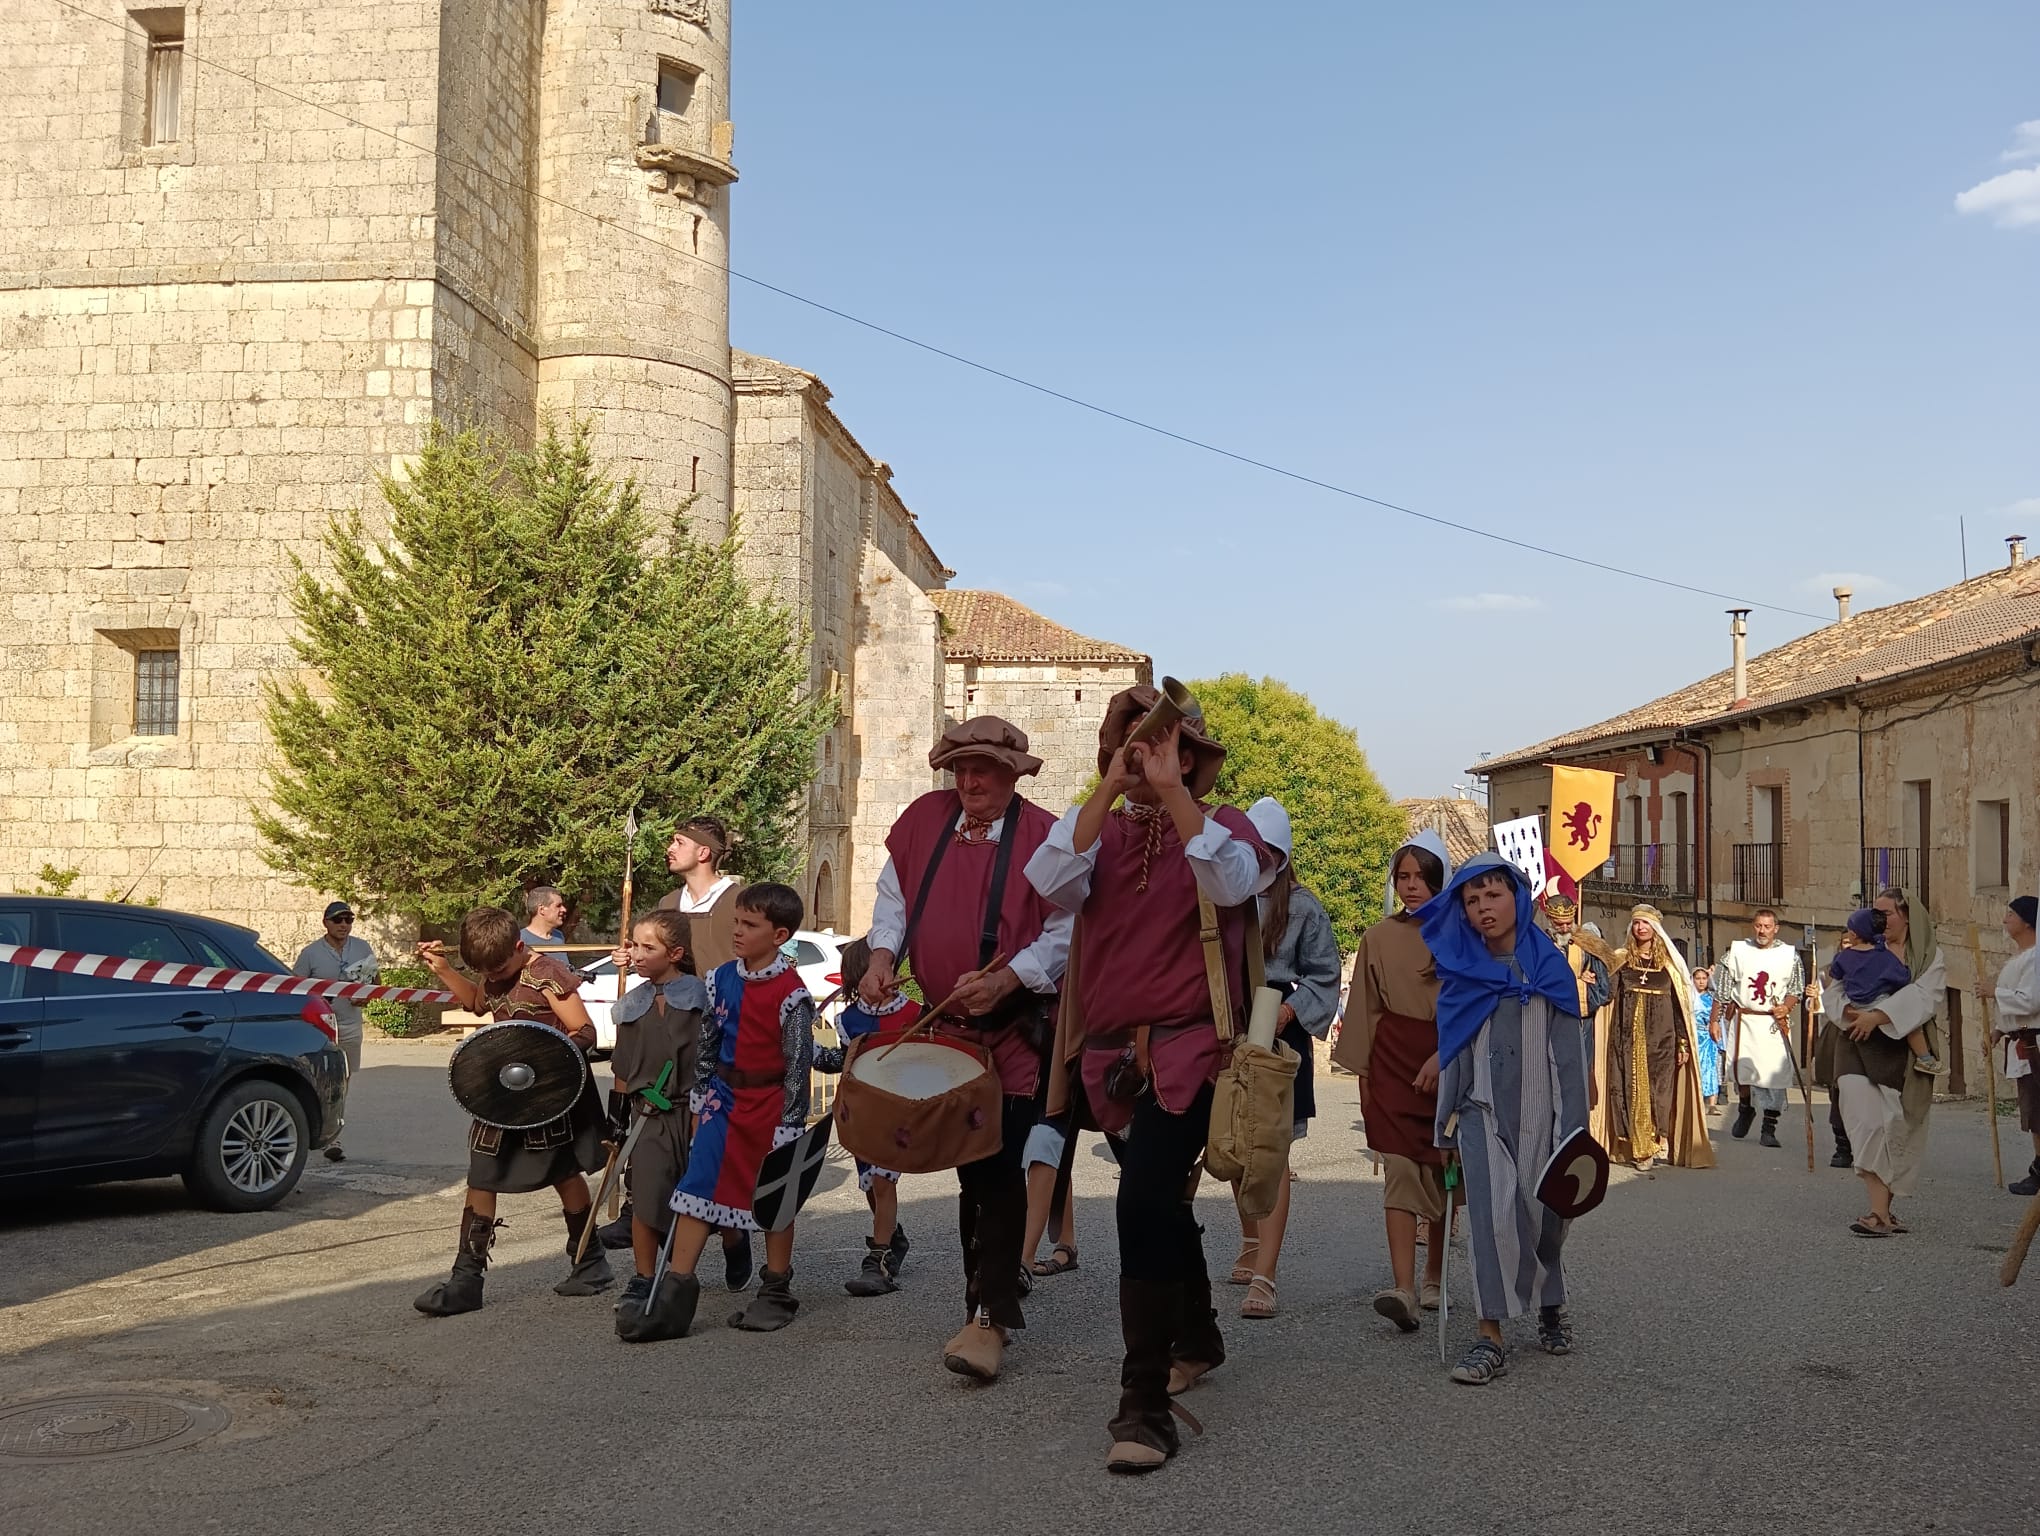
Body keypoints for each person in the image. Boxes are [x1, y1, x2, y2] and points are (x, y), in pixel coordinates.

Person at [1027, 685, 1274, 1473]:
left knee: (1139, 1204)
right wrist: (1111, 784)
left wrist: (1171, 792)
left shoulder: (1224, 826)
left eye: (1162, 743)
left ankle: (1142, 1404)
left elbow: (1233, 884)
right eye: (1129, 745)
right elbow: (1049, 880)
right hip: (1112, 1059)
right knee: (1163, 1202)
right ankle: (1198, 1336)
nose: (1145, 756)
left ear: (1191, 756)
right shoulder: (1096, 830)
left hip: (1193, 1050)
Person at [859, 715, 1069, 1383]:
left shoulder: (1046, 837)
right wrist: (883, 955)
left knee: (996, 1168)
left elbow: (1067, 930)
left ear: (1013, 774)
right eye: (960, 769)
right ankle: (986, 1297)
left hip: (1014, 1027)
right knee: (968, 1167)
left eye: (983, 770)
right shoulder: (926, 819)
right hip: (947, 1027)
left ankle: (990, 1315)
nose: (969, 781)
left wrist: (1010, 977)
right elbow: (893, 899)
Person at [1421, 855, 1590, 1385]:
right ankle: (1489, 1334)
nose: (1483, 908)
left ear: (1515, 898)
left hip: (1544, 1116)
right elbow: (1454, 1052)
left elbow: (1569, 1059)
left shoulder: (1551, 970)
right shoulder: (1462, 974)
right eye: (1472, 901)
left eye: (1492, 895)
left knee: (1545, 1217)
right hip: (1481, 1113)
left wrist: (1575, 1134)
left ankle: (1550, 1301)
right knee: (1491, 1219)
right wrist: (1444, 1127)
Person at [413, 908, 613, 1315]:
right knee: (482, 1173)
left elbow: (584, 1031)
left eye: (500, 968)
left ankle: (590, 1260)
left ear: (519, 947)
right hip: (502, 1095)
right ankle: (467, 1280)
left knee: (563, 1172)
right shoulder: (493, 970)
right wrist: (444, 970)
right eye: (485, 971)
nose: (494, 976)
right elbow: (476, 1003)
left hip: (549, 1094)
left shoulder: (548, 974)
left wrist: (545, 1060)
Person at [659, 882, 817, 1333]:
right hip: (721, 1101)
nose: (738, 931)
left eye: (750, 924)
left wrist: (791, 1124)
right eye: (737, 922)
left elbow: (797, 1064)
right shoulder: (721, 978)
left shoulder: (792, 993)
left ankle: (776, 1289)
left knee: (773, 1198)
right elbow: (708, 1042)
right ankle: (675, 1289)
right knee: (698, 1183)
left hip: (769, 1108)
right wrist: (700, 1096)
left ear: (779, 935)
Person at [1226, 796, 1341, 1320]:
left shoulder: (1303, 907)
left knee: (1272, 1156)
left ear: (1282, 854)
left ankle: (1266, 1274)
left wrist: (1290, 1011)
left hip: (1279, 1029)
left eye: (1268, 851)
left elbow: (1325, 975)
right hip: (1230, 1024)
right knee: (1233, 1143)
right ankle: (1251, 1241)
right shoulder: (1224, 895)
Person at [1334, 830, 1450, 1333]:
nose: (1411, 886)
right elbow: (1365, 1008)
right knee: (1401, 1168)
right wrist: (1365, 1079)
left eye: (1421, 876)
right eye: (1403, 876)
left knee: (1442, 1170)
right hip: (1393, 1063)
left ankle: (1434, 1274)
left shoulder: (1461, 934)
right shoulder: (1378, 938)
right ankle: (1403, 1287)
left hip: (1446, 1057)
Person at [1821, 886, 1944, 1231]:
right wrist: (1854, 1013)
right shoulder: (1855, 949)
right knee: (1866, 1124)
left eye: (1886, 913)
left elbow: (1925, 997)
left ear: (1906, 917)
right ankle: (1877, 1213)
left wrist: (1878, 1016)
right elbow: (1833, 990)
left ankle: (1884, 1213)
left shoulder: (1927, 956)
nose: (1880, 919)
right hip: (1853, 1043)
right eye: (1876, 913)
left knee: (1894, 1126)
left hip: (1898, 1050)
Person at [608, 911, 704, 1321]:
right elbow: (622, 1068)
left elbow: (712, 1061)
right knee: (646, 1196)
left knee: (700, 1197)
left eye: (649, 947)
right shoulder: (632, 1005)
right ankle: (644, 1276)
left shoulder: (701, 999)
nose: (636, 954)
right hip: (648, 1116)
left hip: (695, 1112)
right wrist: (616, 1119)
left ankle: (728, 1246)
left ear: (675, 954)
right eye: (634, 945)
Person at [814, 937, 916, 1295]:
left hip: (896, 1114)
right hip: (859, 1115)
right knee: (871, 1183)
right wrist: (807, 1049)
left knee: (884, 1182)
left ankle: (878, 1260)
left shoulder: (914, 1013)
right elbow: (844, 1063)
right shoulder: (849, 1019)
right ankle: (892, 1237)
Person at [1595, 905, 1715, 1172]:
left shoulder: (1669, 966)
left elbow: (1679, 1008)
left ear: (1655, 929)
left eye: (1645, 923)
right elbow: (1606, 994)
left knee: (1659, 1092)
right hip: (1626, 1038)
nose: (1640, 928)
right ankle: (1640, 1149)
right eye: (1637, 923)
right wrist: (1589, 979)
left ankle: (1654, 1140)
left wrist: (1683, 1042)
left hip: (1662, 1040)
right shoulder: (1622, 960)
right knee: (1628, 1088)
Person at [292, 900, 378, 1163]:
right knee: (320, 1077)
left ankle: (333, 1135)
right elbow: (295, 988)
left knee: (344, 1079)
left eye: (348, 920)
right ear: (325, 922)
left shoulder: (362, 947)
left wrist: (366, 997)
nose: (343, 925)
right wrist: (316, 1000)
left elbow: (375, 981)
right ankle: (319, 1133)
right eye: (338, 920)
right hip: (320, 1025)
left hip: (350, 1024)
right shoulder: (310, 953)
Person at [1712, 908, 1804, 1149]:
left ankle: (1769, 1128)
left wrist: (1786, 1007)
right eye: (1758, 926)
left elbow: (1796, 989)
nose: (1762, 931)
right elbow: (1722, 990)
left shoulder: (1789, 956)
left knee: (1774, 1075)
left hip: (1772, 1023)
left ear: (1776, 928)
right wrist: (1714, 1020)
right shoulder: (1737, 952)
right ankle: (1746, 1107)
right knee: (1742, 1072)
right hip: (1745, 1021)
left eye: (1767, 926)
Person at [1829, 908, 1935, 1074]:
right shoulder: (1885, 956)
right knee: (1911, 1025)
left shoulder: (1843, 957)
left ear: (1854, 934)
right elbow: (1902, 977)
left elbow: (1835, 975)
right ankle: (1925, 1058)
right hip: (1880, 1004)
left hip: (1855, 1004)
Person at [1993, 896, 2040, 1197]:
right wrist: (1999, 1029)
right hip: (2022, 1038)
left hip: (2034, 1044)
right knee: (2034, 1111)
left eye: (2011, 914)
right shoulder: (2021, 958)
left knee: (2037, 1110)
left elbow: (2031, 1001)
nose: (2005, 919)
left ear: (2027, 921)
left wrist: (1994, 992)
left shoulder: (2036, 959)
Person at [658, 815, 741, 975]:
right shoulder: (668, 904)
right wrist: (634, 955)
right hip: (679, 992)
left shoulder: (740, 902)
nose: (670, 849)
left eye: (680, 843)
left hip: (728, 991)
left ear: (703, 853)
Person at [1691, 967, 1724, 1108]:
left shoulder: (1712, 998)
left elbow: (1718, 1018)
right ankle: (1695, 1100)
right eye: (1698, 978)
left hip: (1708, 1036)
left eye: (1704, 978)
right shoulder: (1689, 997)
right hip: (1694, 1036)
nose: (1701, 982)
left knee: (1711, 1067)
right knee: (1695, 1068)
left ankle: (1712, 1103)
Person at [519, 887, 569, 953]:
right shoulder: (520, 939)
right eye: (558, 906)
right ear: (542, 910)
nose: (564, 909)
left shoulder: (559, 936)